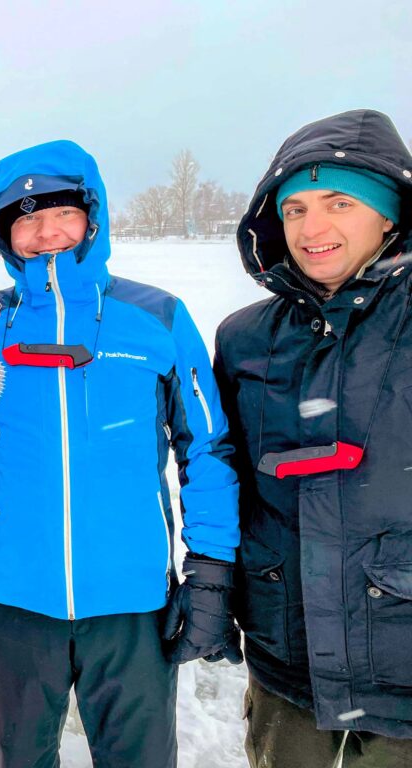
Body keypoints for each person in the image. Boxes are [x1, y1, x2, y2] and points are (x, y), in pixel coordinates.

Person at [0, 139, 242, 768]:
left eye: (62, 213)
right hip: (17, 604)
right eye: (27, 220)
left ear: (92, 217)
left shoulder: (156, 317)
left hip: (133, 604)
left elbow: (207, 449)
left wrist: (210, 573)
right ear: (3, 235)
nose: (47, 233)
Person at [214, 109, 412, 767]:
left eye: (340, 203)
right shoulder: (244, 338)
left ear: (390, 215)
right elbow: (230, 483)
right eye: (294, 209)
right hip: (287, 663)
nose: (311, 228)